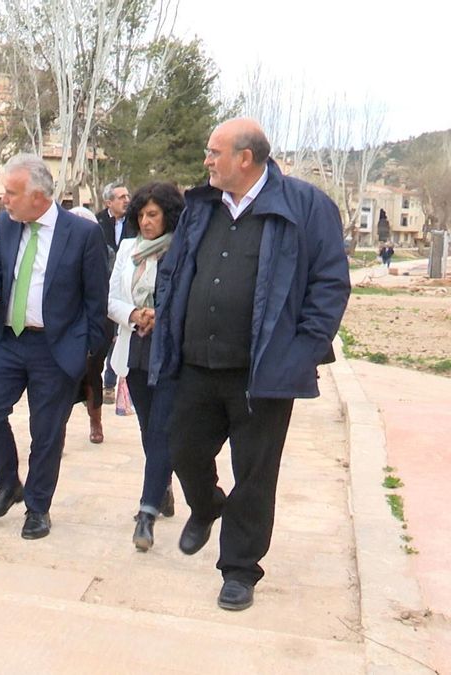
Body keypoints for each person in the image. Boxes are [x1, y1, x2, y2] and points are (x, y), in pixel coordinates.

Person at [149, 118, 350, 610]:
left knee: (255, 475)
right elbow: (174, 272)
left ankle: (239, 570)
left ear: (245, 158)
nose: (206, 160)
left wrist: (302, 350)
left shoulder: (306, 206)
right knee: (182, 450)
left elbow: (330, 284)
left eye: (214, 151)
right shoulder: (201, 208)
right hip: (197, 364)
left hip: (263, 373)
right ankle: (206, 504)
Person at [0, 154, 108, 540]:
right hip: (8, 339)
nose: (4, 200)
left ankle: (38, 507)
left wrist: (86, 352)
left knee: (46, 432)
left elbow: (97, 299)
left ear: (39, 196)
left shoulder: (82, 234)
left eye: (11, 193)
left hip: (56, 347)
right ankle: (9, 482)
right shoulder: (8, 226)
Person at [107, 182, 183, 552]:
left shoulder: (182, 250)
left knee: (162, 430)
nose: (146, 221)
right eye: (141, 215)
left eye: (153, 214)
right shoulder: (127, 250)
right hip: (134, 346)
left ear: (168, 214)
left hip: (168, 350)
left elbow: (186, 296)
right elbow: (111, 298)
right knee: (147, 427)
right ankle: (163, 485)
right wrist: (135, 313)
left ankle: (146, 512)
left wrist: (160, 315)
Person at [69, 206, 110, 444]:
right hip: (65, 324)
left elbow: (107, 292)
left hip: (96, 322)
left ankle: (95, 420)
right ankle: (57, 432)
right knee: (59, 379)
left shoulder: (106, 253)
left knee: (92, 373)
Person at [96, 183, 133, 405]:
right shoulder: (97, 222)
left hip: (127, 284)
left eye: (127, 196)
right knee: (107, 334)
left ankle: (112, 382)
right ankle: (102, 381)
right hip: (103, 285)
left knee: (121, 331)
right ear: (109, 202)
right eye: (121, 197)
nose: (126, 200)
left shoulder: (135, 221)